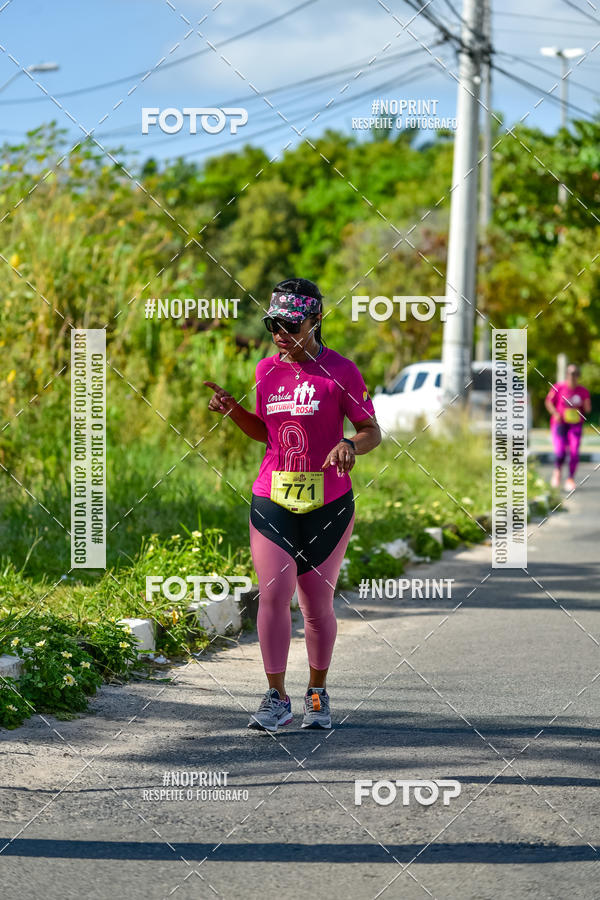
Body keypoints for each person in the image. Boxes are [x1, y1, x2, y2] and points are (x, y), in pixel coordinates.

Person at [204, 277, 381, 732]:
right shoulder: (266, 370)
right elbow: (265, 432)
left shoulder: (342, 371)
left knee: (316, 603)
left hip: (329, 502)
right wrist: (234, 412)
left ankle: (317, 693)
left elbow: (371, 430)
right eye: (273, 324)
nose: (280, 333)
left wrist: (349, 445)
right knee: (273, 595)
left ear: (315, 320)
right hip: (273, 496)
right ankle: (276, 697)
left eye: (290, 324)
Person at [544, 364, 591, 492]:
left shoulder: (583, 391)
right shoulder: (558, 387)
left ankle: (570, 478)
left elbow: (587, 409)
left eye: (574, 374)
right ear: (566, 375)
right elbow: (548, 402)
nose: (572, 376)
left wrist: (585, 406)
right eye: (570, 373)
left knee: (574, 452)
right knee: (560, 451)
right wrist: (555, 413)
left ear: (578, 376)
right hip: (560, 424)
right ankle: (557, 472)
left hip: (575, 425)